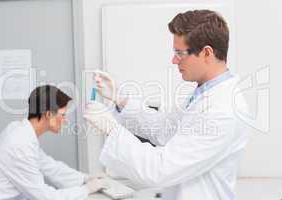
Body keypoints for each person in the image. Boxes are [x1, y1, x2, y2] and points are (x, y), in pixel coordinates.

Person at [84, 10, 248, 200]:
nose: (174, 60)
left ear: (207, 53)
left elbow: (161, 169)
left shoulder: (222, 110)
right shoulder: (204, 93)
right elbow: (164, 129)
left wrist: (111, 129)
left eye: (180, 53)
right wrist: (120, 99)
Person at [0, 85, 107, 200]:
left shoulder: (21, 132)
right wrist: (86, 189)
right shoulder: (20, 144)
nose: (65, 121)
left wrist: (84, 178)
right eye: (63, 115)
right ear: (48, 114)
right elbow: (45, 197)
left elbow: (49, 166)